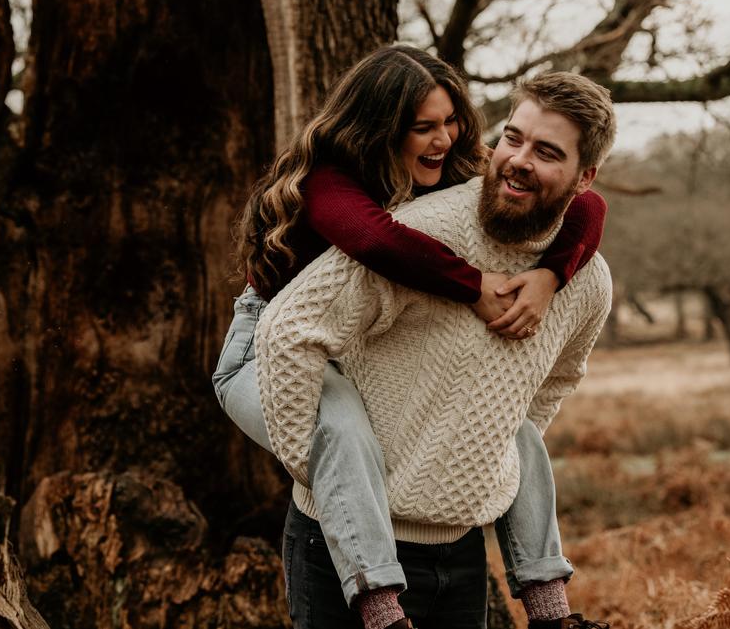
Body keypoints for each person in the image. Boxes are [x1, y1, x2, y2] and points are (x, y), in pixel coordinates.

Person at [213, 46, 606, 629]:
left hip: (338, 353)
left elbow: (587, 205)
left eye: (451, 122)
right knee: (340, 426)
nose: (444, 140)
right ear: (379, 129)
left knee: (512, 430)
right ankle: (381, 609)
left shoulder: (454, 174)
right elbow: (379, 244)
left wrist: (551, 274)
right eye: (422, 127)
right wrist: (473, 284)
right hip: (259, 348)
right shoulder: (331, 182)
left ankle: (551, 610)